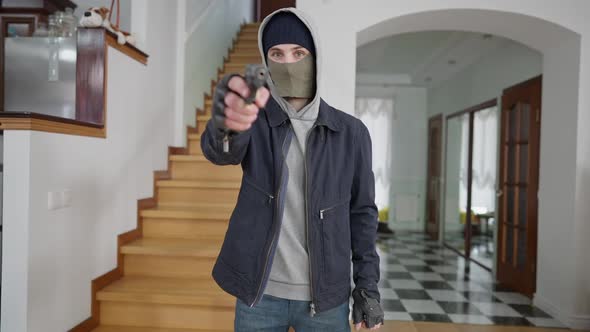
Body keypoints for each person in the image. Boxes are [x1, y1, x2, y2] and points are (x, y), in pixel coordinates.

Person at [201, 7, 384, 331]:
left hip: (326, 299)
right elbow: (221, 154)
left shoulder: (351, 132)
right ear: (266, 60)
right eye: (277, 53)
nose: (288, 63)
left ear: (315, 57)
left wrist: (367, 290)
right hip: (259, 294)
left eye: (298, 52)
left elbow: (363, 215)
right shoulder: (254, 120)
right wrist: (223, 125)